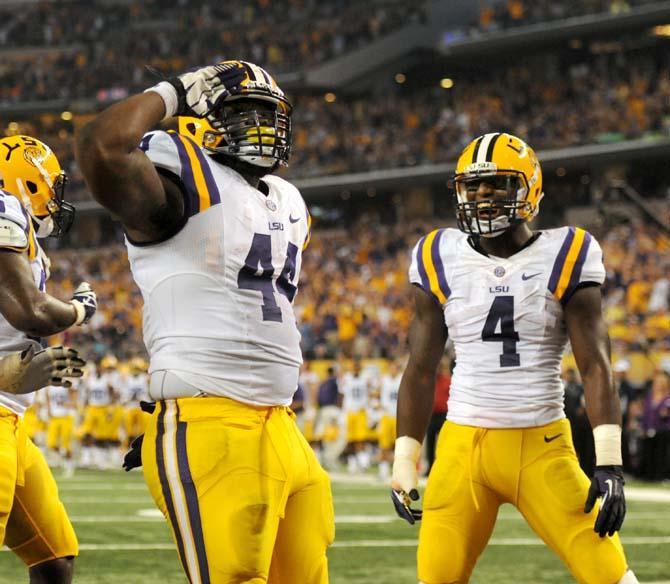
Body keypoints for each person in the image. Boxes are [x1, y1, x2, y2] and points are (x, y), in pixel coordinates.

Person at [76, 60, 333, 583]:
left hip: (283, 426)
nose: (261, 129)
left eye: (268, 116)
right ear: (198, 120)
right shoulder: (183, 178)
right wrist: (174, 92)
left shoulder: (287, 202)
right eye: (242, 114)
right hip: (211, 423)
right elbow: (102, 146)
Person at [390, 132, 638, 583]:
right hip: (461, 451)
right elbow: (420, 368)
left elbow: (596, 365)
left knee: (613, 577)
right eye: (474, 186)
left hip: (542, 446)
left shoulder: (568, 250)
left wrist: (609, 463)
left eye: (499, 184)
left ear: (530, 189)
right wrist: (404, 459)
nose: (484, 196)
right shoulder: (436, 253)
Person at [0, 134, 96, 584]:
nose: (57, 199)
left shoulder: (23, 239)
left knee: (54, 558)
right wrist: (79, 309)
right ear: (29, 183)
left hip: (12, 419)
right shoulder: (4, 207)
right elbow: (31, 312)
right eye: (51, 186)